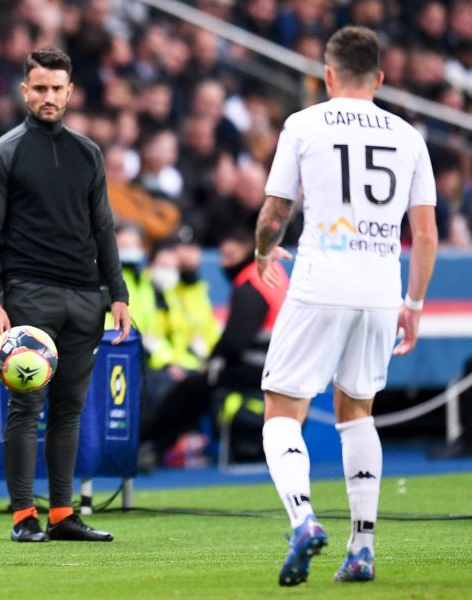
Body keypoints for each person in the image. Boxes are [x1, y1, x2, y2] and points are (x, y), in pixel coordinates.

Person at [254, 26, 438, 586]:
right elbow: (426, 234)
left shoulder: (304, 124)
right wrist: (414, 302)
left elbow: (274, 212)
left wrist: (263, 251)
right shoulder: (409, 135)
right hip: (382, 290)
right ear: (380, 78)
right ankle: (362, 548)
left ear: (327, 76)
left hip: (320, 281)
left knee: (281, 410)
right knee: (357, 412)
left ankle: (304, 518)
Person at [0, 47, 130, 544]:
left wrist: (119, 293)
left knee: (69, 411)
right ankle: (24, 516)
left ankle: (63, 514)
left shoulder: (89, 153)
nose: (48, 96)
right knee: (27, 408)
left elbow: (104, 228)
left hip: (86, 298)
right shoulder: (5, 151)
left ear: (70, 91)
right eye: (39, 88)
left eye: (56, 88)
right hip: (29, 297)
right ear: (24, 91)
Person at [139, 230, 287, 469]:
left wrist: (213, 361)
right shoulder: (274, 274)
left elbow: (234, 341)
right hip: (278, 365)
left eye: (230, 256)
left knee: (192, 389)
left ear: (249, 251)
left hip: (259, 367)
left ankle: (150, 445)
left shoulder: (251, 283)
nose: (223, 264)